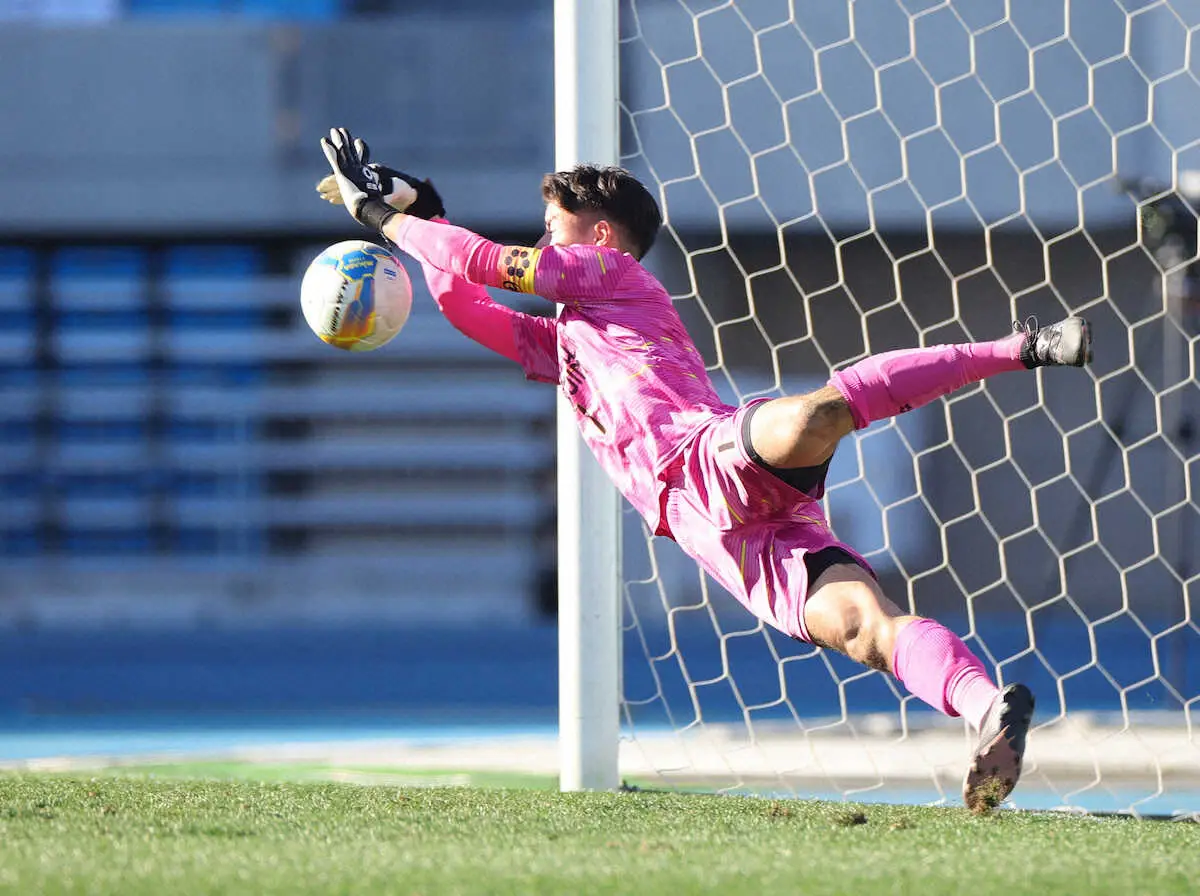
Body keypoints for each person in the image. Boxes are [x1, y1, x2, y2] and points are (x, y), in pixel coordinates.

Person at [317, 127, 1093, 812]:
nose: (543, 244)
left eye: (553, 230)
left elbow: (488, 264)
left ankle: (1020, 347)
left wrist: (383, 218)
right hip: (726, 541)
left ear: (599, 237)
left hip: (710, 455)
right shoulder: (568, 344)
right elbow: (463, 302)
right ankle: (986, 708)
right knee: (865, 629)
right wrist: (426, 205)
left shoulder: (611, 275)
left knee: (816, 416)